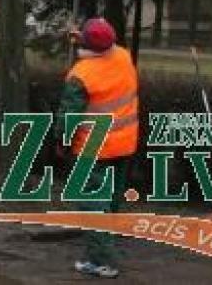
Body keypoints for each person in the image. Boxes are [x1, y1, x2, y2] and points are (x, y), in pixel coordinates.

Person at [57, 17, 139, 279]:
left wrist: (61, 142)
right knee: (110, 199)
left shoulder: (80, 75)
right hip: (125, 142)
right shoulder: (124, 56)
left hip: (95, 147)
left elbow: (69, 117)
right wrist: (79, 38)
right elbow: (100, 47)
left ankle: (103, 261)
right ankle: (103, 246)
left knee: (92, 204)